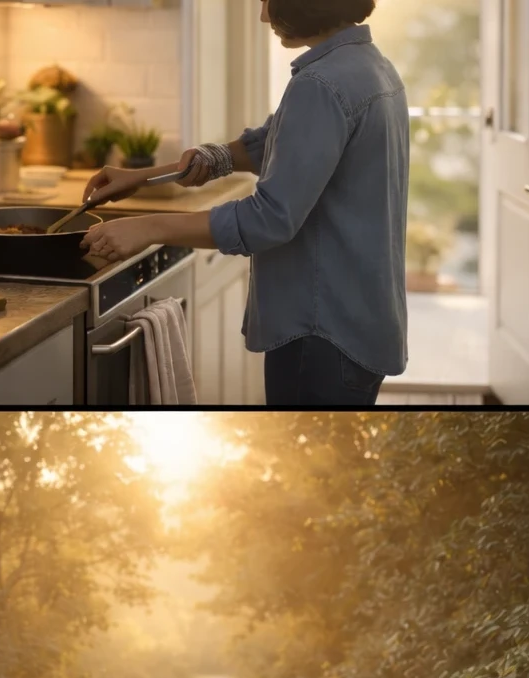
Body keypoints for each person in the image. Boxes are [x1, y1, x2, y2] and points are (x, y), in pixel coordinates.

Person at [80, 0, 408, 406]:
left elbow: (269, 219)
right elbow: (276, 145)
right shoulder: (369, 67)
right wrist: (144, 177)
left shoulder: (321, 84)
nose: (264, 16)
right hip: (357, 322)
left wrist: (148, 228)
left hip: (320, 333)